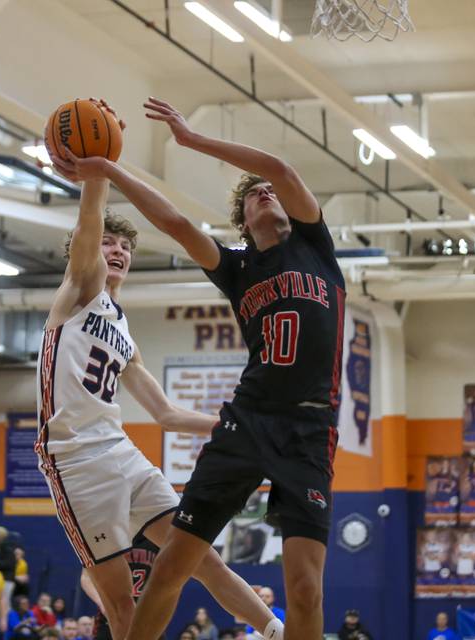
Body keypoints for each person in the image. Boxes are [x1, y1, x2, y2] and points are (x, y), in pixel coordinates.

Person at [57, 97, 344, 640]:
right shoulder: (237, 268)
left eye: (271, 191)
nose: (267, 191)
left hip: (309, 429)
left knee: (306, 587)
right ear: (243, 221)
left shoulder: (315, 246)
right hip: (248, 420)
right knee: (172, 566)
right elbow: (174, 222)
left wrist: (191, 140)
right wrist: (110, 171)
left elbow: (280, 169)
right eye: (255, 193)